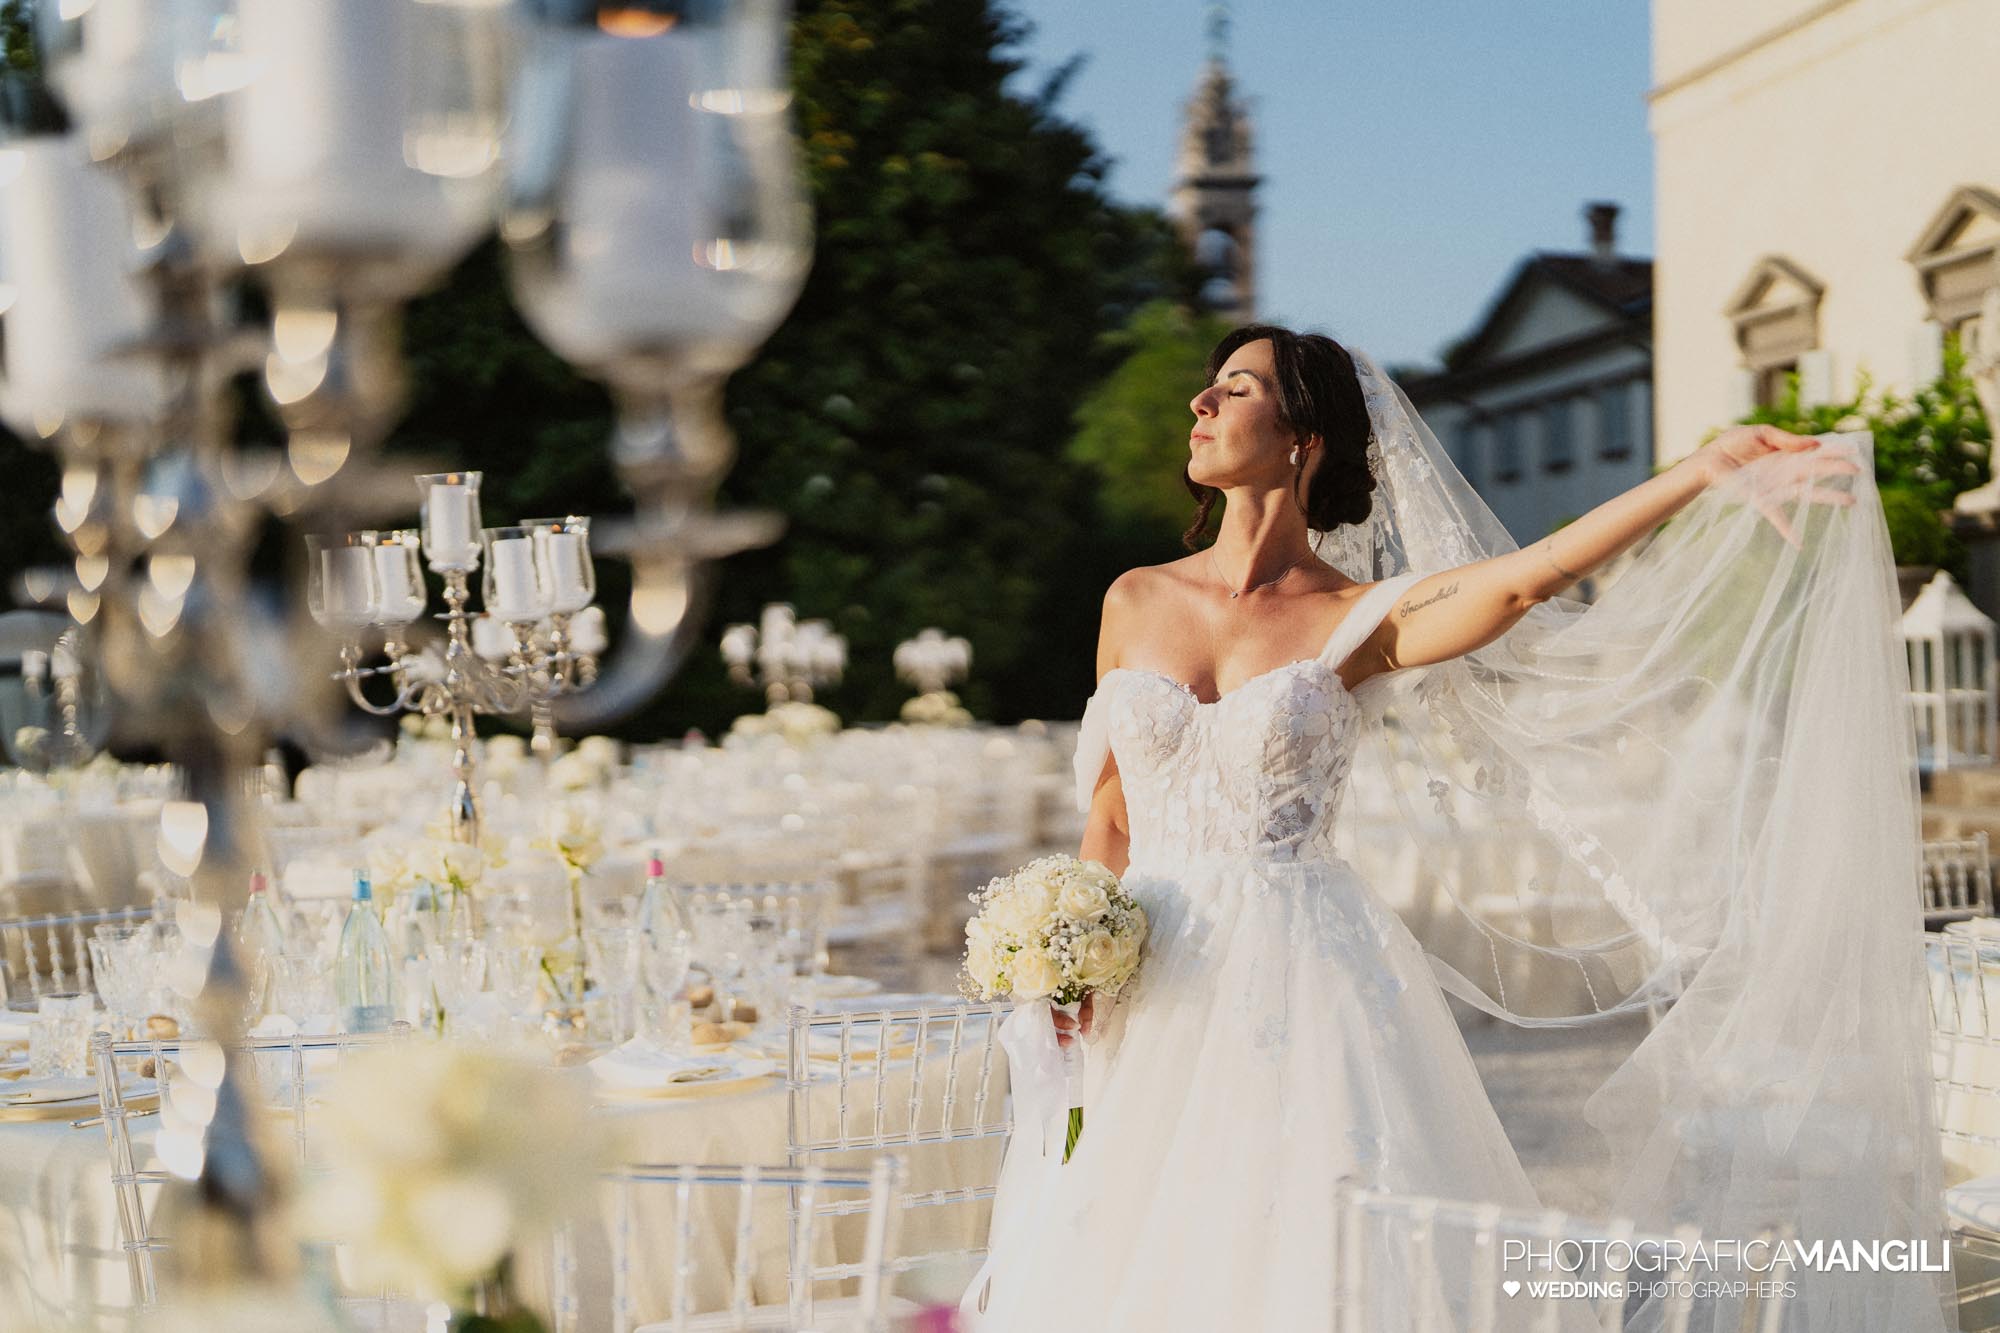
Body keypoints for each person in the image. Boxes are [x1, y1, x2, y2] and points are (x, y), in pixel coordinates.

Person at [960, 326, 1950, 1332]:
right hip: (1148, 966)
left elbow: (1526, 579)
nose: (1198, 406)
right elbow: (1114, 809)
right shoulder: (1132, 598)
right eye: (1207, 388)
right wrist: (1070, 963)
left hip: (1292, 973)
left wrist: (1699, 472)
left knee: (1298, 1234)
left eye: (1234, 387)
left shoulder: (1362, 616)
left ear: (1303, 435)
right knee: (1125, 1228)